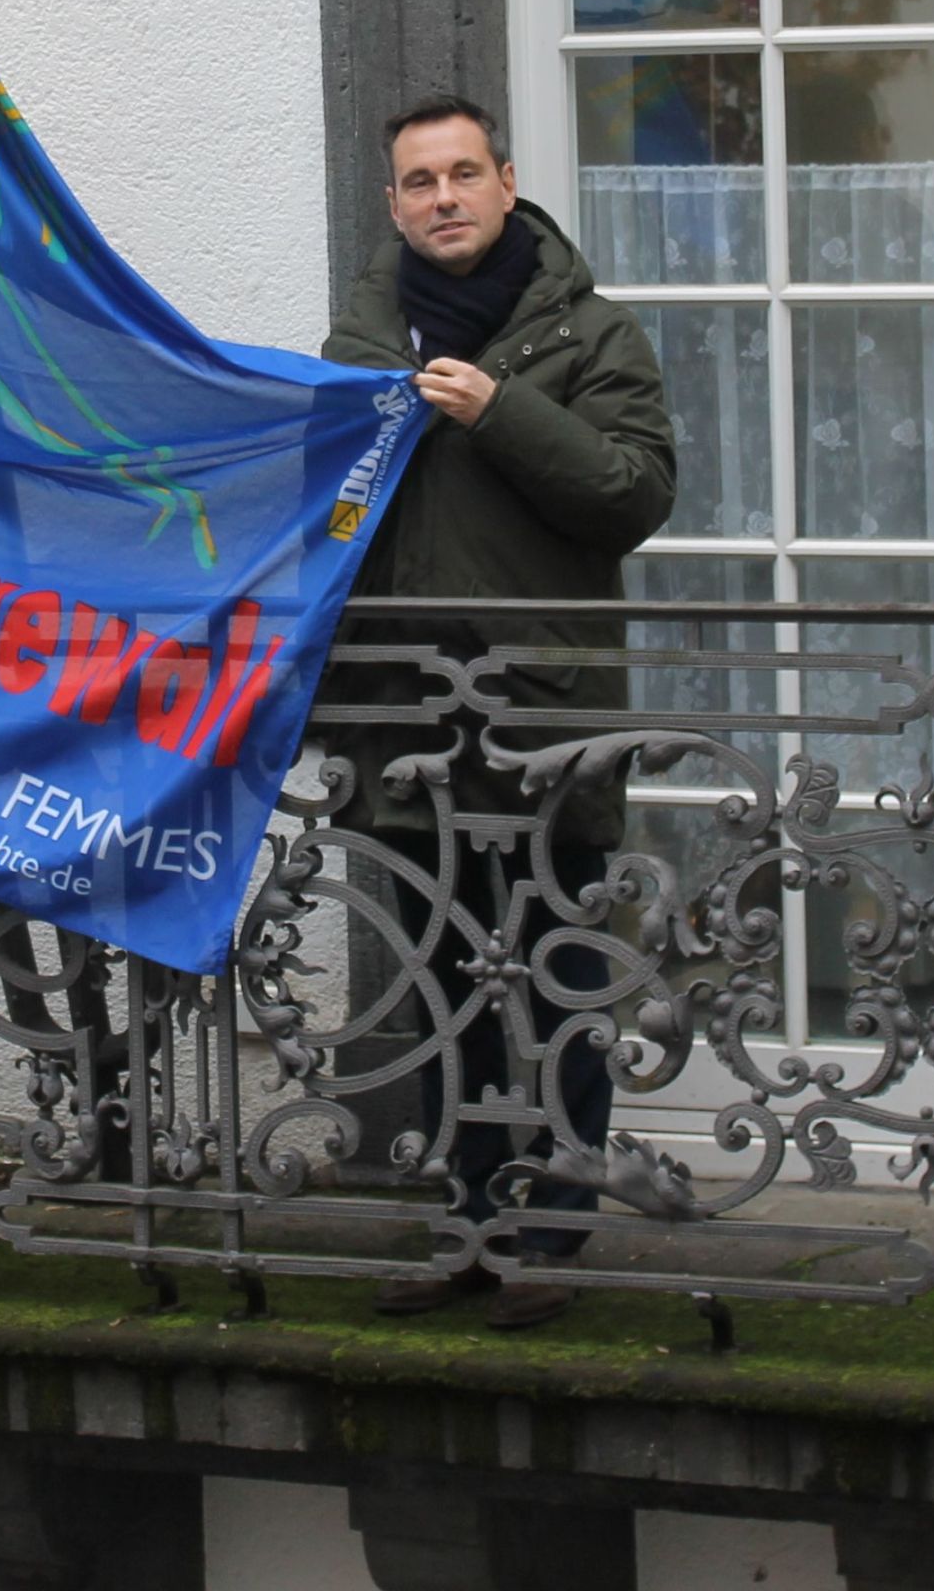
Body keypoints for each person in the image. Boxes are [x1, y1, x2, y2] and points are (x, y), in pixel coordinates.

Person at [317, 96, 677, 1330]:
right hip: (409, 729)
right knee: (449, 990)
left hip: (546, 722)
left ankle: (555, 1241)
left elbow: (633, 492)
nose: (444, 198)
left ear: (508, 182)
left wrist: (500, 410)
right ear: (394, 204)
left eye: (464, 173)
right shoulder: (358, 344)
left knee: (558, 991)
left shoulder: (592, 333)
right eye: (419, 181)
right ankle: (470, 1231)